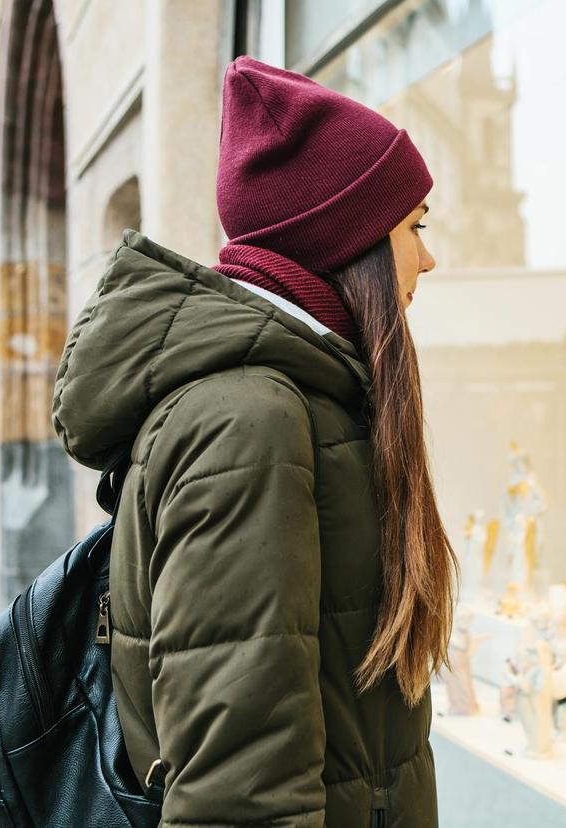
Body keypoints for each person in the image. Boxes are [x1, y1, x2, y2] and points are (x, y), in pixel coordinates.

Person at [52, 56, 456, 827]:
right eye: (416, 227)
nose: (428, 257)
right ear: (351, 240)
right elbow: (238, 793)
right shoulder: (250, 422)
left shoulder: (297, 399)